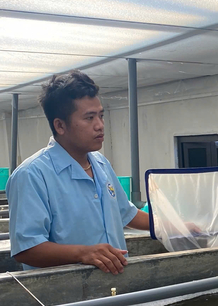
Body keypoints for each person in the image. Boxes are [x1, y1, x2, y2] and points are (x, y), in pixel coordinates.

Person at [7, 70, 150, 274]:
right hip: (66, 296)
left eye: (101, 116)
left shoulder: (101, 163)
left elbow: (126, 213)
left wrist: (172, 226)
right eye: (89, 118)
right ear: (60, 125)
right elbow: (26, 249)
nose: (100, 125)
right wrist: (82, 253)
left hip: (115, 287)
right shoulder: (32, 175)